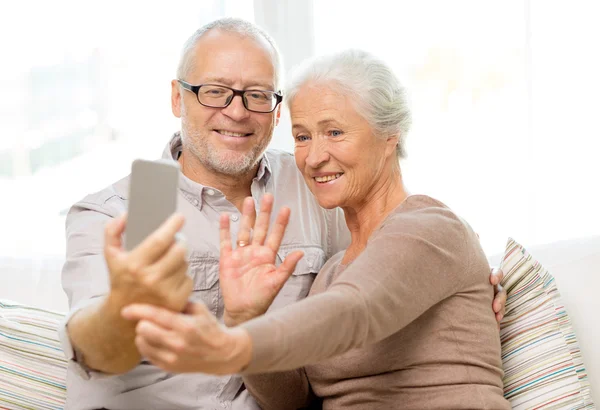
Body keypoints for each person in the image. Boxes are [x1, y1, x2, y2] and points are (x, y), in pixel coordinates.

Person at [59, 18, 506, 410]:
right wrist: (123, 307)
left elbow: (396, 261)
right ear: (178, 98)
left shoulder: (317, 188)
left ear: (274, 114)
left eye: (256, 95)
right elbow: (96, 352)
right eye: (215, 91)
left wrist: (482, 275)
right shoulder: (127, 209)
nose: (236, 111)